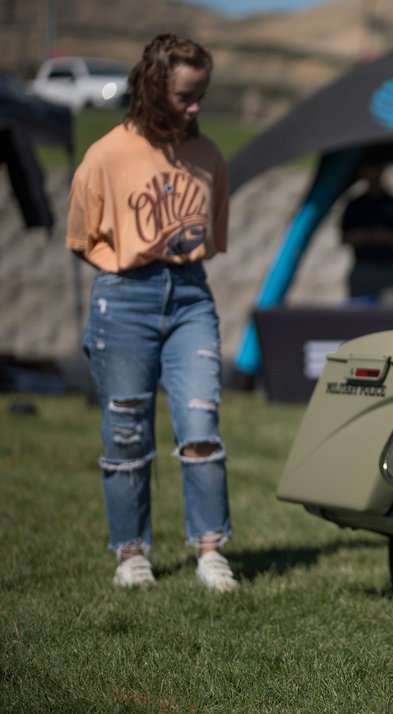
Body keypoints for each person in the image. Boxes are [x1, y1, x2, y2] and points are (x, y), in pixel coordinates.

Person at [66, 33, 238, 591]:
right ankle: (132, 555)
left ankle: (211, 552)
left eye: (201, 96)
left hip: (191, 295)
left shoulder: (207, 154)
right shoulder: (106, 154)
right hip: (125, 296)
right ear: (153, 88)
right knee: (126, 432)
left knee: (201, 426)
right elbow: (81, 236)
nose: (195, 108)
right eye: (186, 96)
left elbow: (213, 231)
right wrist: (127, 263)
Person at [340, 160, 393, 303]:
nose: (372, 172)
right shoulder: (355, 205)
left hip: (388, 268)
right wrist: (367, 236)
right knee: (357, 317)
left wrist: (388, 236)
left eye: (375, 167)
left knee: (392, 317)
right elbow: (345, 238)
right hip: (362, 268)